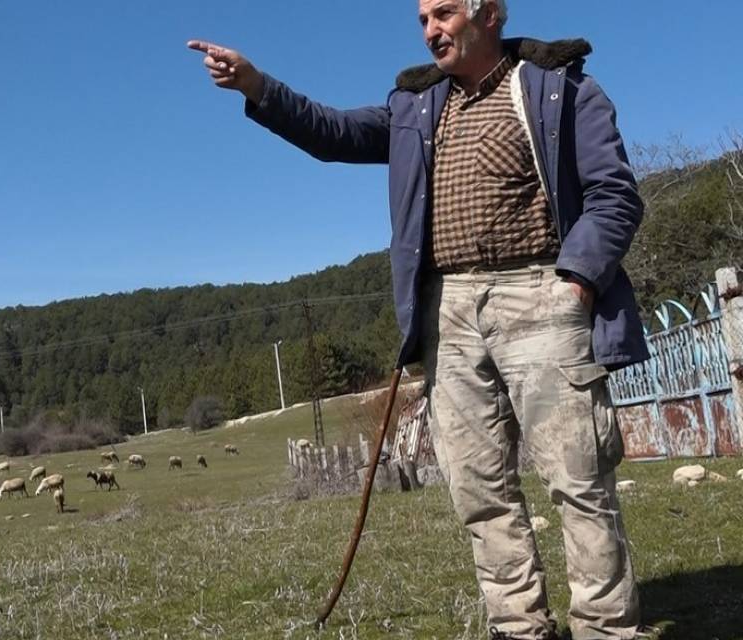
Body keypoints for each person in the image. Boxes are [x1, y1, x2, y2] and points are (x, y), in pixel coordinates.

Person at [189, 1, 650, 639]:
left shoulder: (557, 86)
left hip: (541, 292)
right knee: (478, 487)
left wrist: (575, 281)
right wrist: (257, 86)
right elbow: (334, 132)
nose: (431, 30)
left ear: (488, 12)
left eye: (443, 13)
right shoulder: (417, 107)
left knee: (578, 477)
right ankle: (519, 627)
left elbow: (614, 193)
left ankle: (605, 629)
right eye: (422, 19)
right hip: (450, 310)